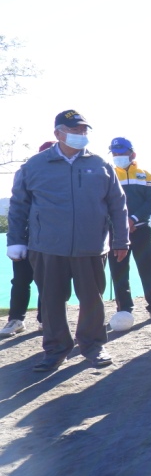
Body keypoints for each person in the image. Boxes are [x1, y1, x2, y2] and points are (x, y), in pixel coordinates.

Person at [7, 111, 129, 371]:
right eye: (74, 130)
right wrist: (15, 240)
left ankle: (93, 346)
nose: (80, 135)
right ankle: (55, 350)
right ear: (58, 133)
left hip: (91, 247)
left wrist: (121, 240)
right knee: (51, 301)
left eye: (84, 131)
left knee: (92, 300)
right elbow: (18, 206)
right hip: (47, 247)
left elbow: (118, 205)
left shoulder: (100, 165)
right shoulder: (34, 166)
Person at [107, 137, 151, 325]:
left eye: (122, 152)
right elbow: (103, 203)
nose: (118, 156)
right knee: (119, 272)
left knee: (148, 270)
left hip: (141, 230)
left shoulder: (146, 176)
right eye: (114, 153)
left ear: (132, 154)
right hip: (116, 233)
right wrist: (121, 223)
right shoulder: (107, 175)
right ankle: (124, 309)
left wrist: (133, 219)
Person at [0, 141, 54, 338]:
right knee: (21, 280)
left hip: (52, 242)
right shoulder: (27, 174)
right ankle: (16, 319)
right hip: (26, 239)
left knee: (48, 282)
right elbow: (17, 210)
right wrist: (15, 240)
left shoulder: (64, 179)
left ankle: (45, 319)